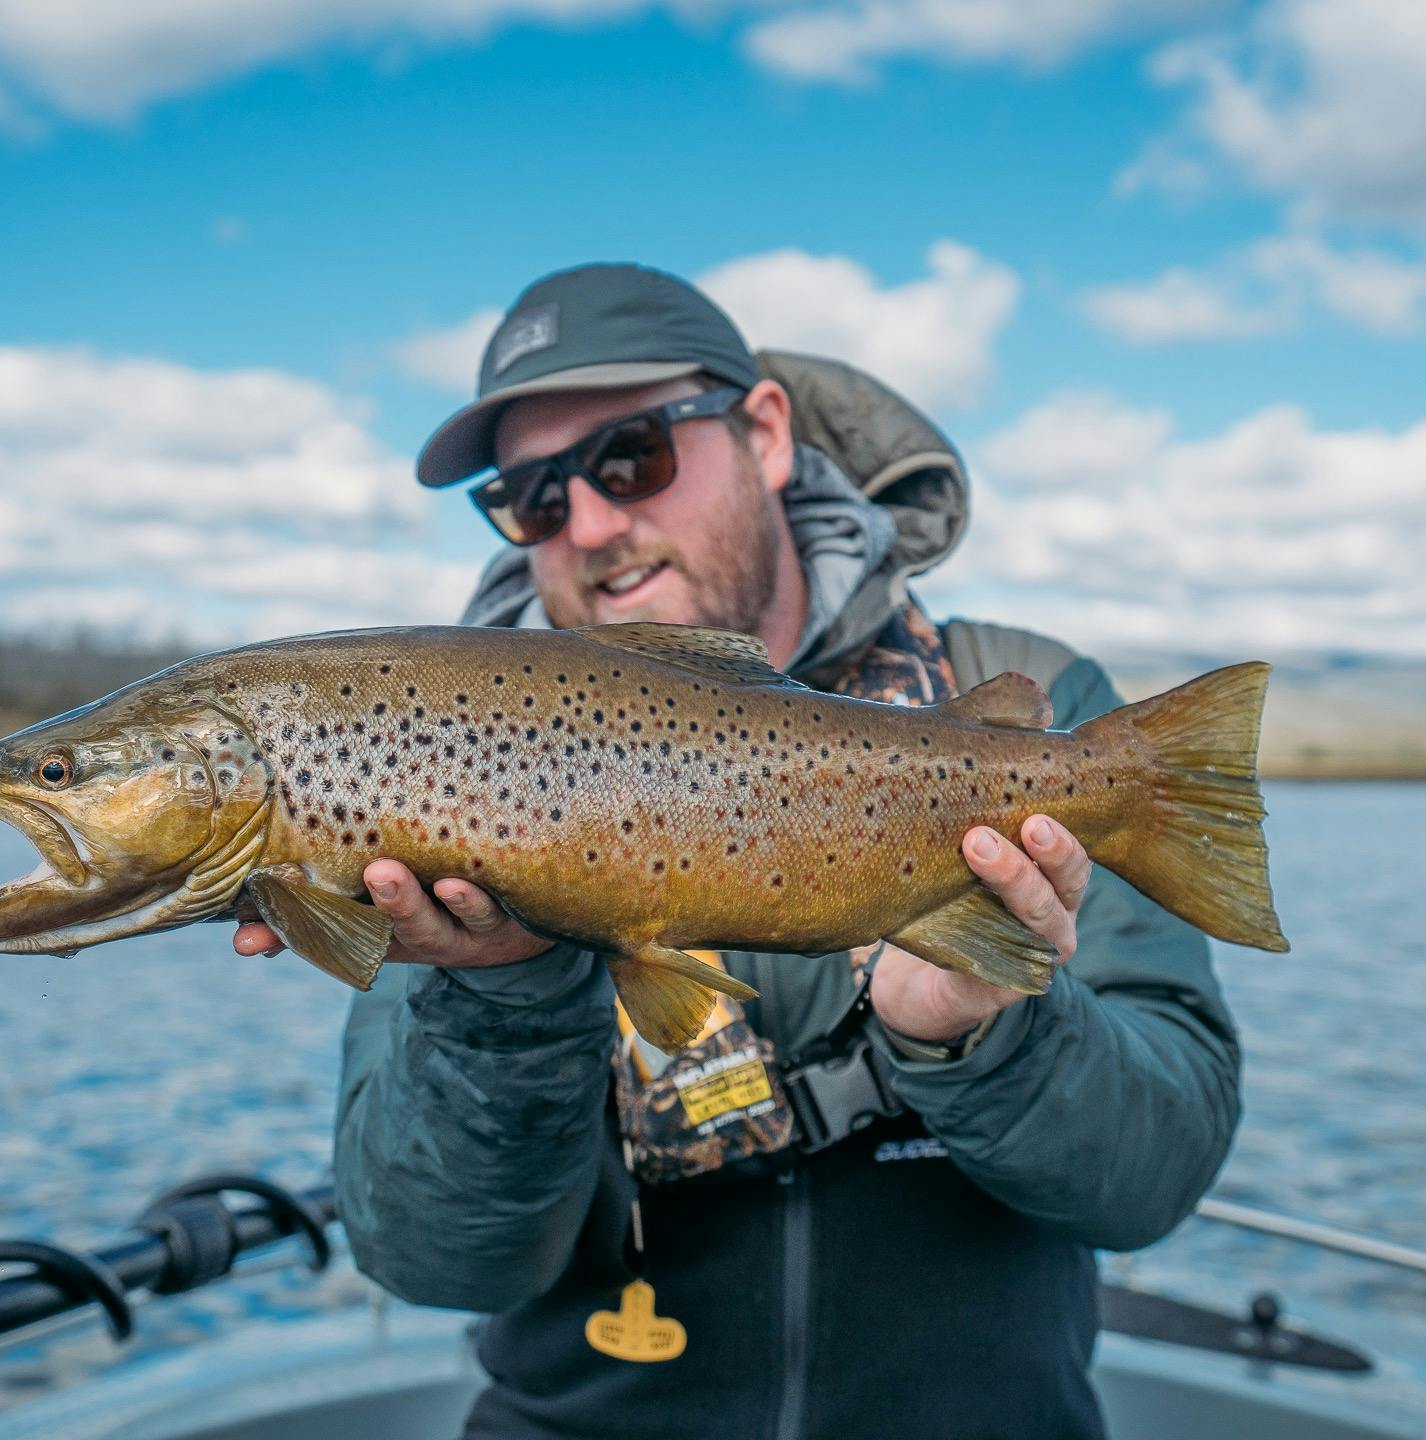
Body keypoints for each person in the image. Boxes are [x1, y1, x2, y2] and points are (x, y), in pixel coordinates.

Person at [233, 263, 1239, 1439]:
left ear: (763, 431)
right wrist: (500, 994)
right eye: (532, 498)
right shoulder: (424, 766)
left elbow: (1155, 1179)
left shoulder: (1030, 709)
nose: (595, 525)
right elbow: (436, 1260)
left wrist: (982, 1028)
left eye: (632, 458)